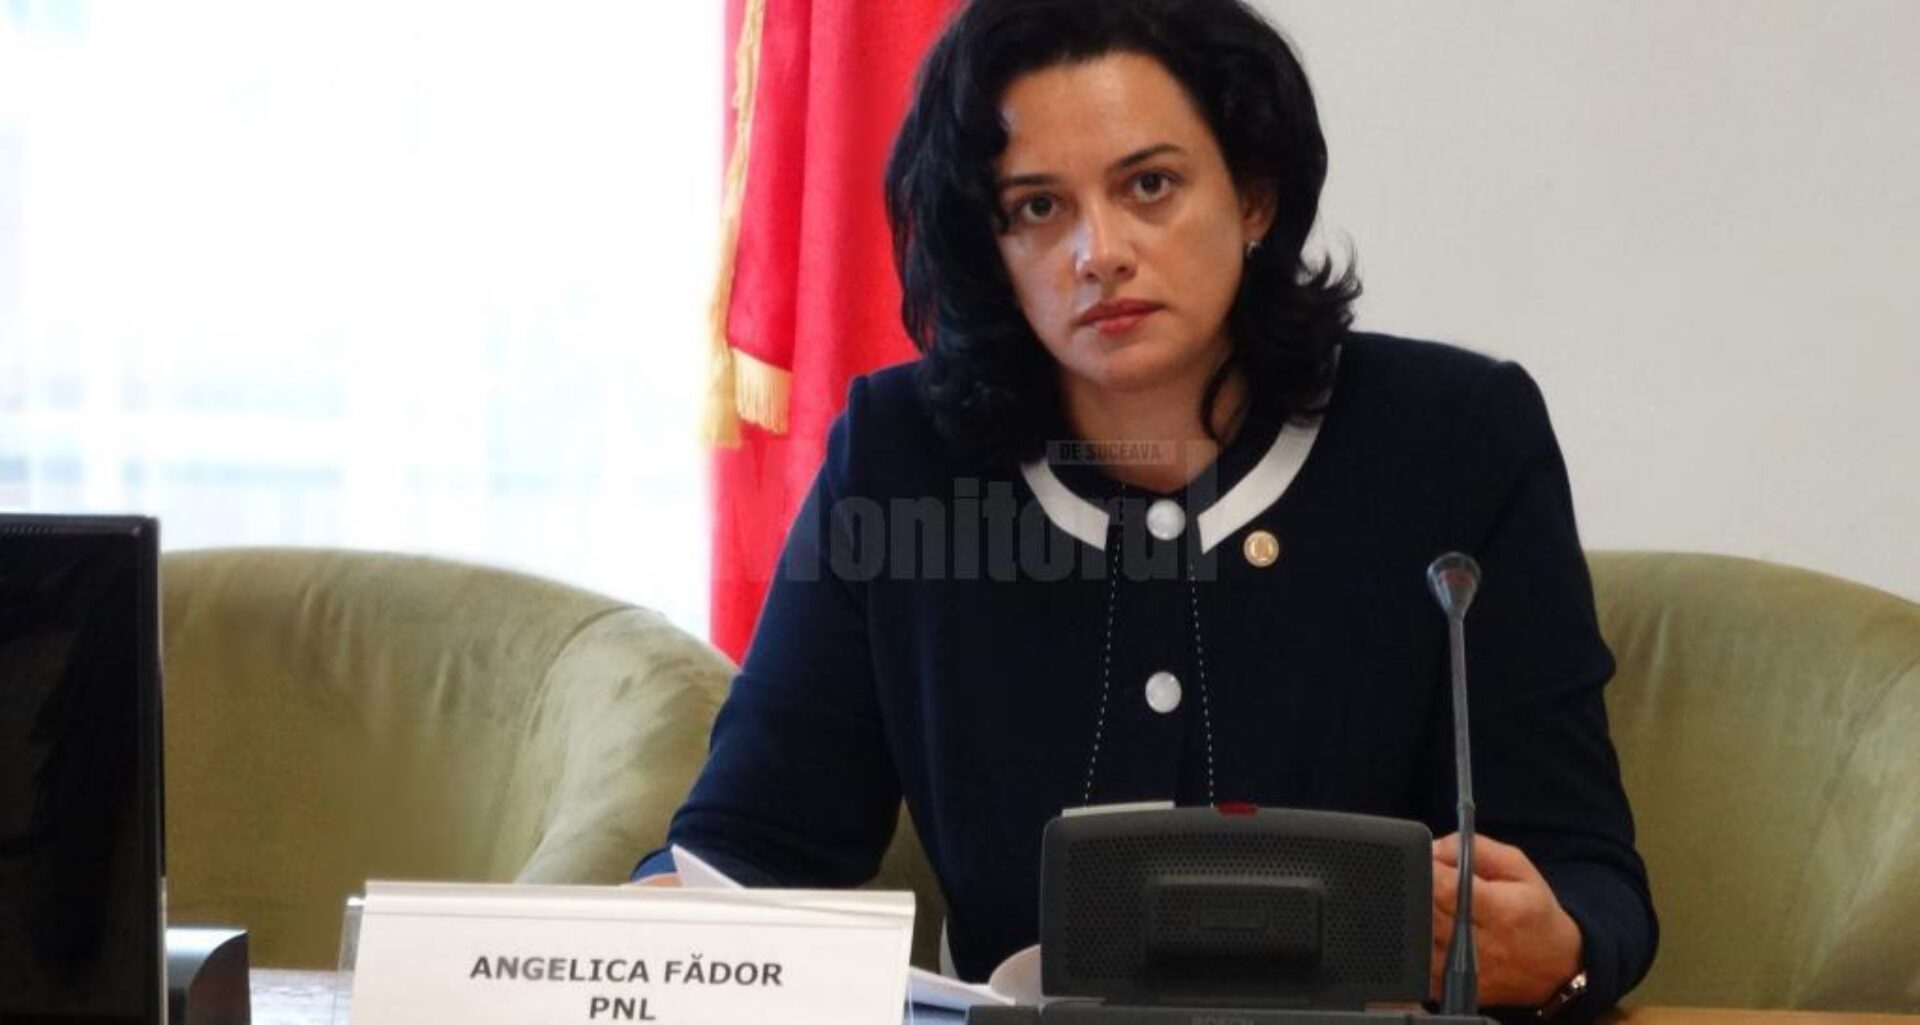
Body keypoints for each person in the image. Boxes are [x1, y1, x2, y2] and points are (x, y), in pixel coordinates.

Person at [637, 0, 1657, 1019]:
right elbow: (751, 842)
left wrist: (1558, 953)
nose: (1099, 251)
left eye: (1150, 186)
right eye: (1038, 206)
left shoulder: (1456, 440)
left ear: (1253, 195)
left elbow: (1587, 878)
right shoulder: (901, 456)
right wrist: (635, 940)